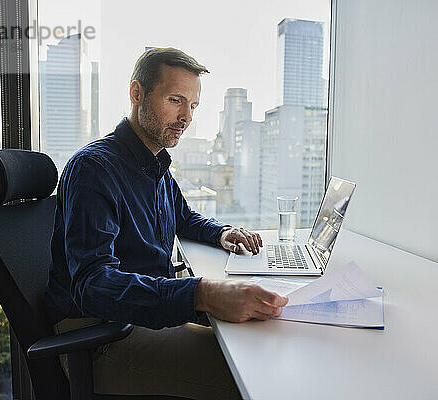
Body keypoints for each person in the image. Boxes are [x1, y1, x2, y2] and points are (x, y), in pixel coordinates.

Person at [44, 47, 288, 399]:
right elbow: (94, 286)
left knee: (264, 333)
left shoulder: (154, 164)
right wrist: (202, 293)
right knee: (255, 374)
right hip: (103, 336)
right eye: (176, 100)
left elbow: (184, 218)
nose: (186, 116)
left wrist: (222, 232)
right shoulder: (94, 169)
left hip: (143, 314)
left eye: (193, 106)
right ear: (137, 94)